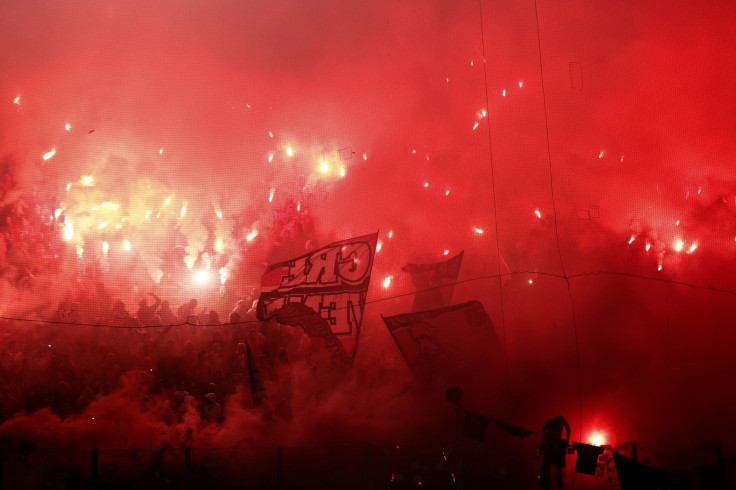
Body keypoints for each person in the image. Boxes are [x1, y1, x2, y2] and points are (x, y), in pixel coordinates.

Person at [538, 414, 570, 488]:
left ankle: (556, 482)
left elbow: (568, 428)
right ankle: (546, 483)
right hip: (549, 442)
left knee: (557, 462)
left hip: (555, 442)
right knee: (547, 464)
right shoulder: (551, 421)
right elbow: (543, 428)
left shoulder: (561, 419)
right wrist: (545, 437)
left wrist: (567, 439)